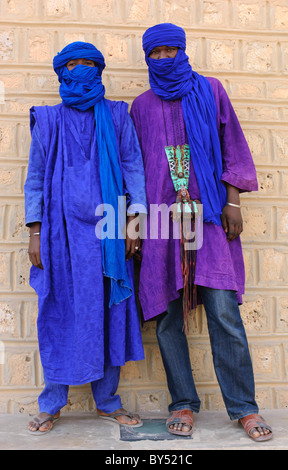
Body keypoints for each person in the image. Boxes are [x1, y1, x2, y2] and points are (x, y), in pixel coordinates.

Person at [130, 23, 273, 442]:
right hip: (162, 223)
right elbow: (135, 169)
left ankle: (244, 408)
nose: (164, 59)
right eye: (156, 53)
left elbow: (234, 145)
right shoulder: (140, 106)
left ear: (184, 50)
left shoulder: (210, 91)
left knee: (224, 312)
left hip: (209, 218)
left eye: (171, 50)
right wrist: (134, 223)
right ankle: (183, 405)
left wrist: (233, 201)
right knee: (168, 316)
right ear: (147, 58)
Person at [24, 41, 147, 434]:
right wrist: (35, 231)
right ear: (61, 72)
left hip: (109, 232)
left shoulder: (116, 115)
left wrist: (134, 222)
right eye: (72, 65)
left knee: (108, 312)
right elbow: (37, 179)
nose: (80, 71)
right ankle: (52, 401)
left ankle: (108, 401)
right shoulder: (47, 120)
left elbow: (132, 165)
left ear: (99, 70)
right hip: (59, 234)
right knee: (57, 310)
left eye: (88, 64)